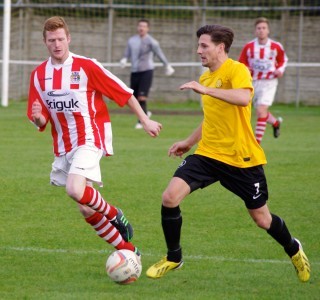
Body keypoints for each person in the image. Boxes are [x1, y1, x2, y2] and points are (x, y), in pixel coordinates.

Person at [146, 24, 310, 282]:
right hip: (208, 155)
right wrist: (189, 142)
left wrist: (207, 90)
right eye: (199, 45)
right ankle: (174, 258)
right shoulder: (205, 78)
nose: (198, 50)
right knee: (169, 197)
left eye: (204, 46)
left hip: (241, 159)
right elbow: (211, 117)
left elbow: (244, 98)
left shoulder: (237, 69)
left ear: (220, 47)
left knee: (262, 219)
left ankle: (293, 248)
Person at [27, 16, 162, 257]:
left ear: (68, 38)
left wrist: (145, 120)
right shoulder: (38, 75)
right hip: (63, 145)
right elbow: (42, 119)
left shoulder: (86, 66)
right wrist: (38, 118)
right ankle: (129, 252)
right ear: (45, 42)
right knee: (85, 208)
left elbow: (125, 93)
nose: (57, 44)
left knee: (74, 189)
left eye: (60, 39)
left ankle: (114, 214)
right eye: (51, 40)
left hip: (89, 138)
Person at [238, 17, 288, 144]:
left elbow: (283, 60)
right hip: (253, 82)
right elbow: (241, 62)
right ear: (255, 31)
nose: (261, 30)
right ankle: (276, 123)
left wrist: (280, 70)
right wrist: (246, 68)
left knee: (261, 111)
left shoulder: (276, 46)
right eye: (259, 28)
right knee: (262, 112)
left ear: (268, 30)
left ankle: (256, 144)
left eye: (264, 28)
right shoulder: (249, 47)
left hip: (269, 82)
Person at [119, 18, 175, 129]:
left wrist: (167, 65)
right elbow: (127, 53)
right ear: (137, 27)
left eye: (144, 26)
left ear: (147, 28)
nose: (141, 28)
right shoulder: (132, 40)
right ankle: (146, 113)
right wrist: (124, 59)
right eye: (140, 26)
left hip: (147, 71)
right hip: (134, 71)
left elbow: (160, 54)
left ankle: (141, 121)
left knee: (142, 97)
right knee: (133, 97)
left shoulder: (152, 42)